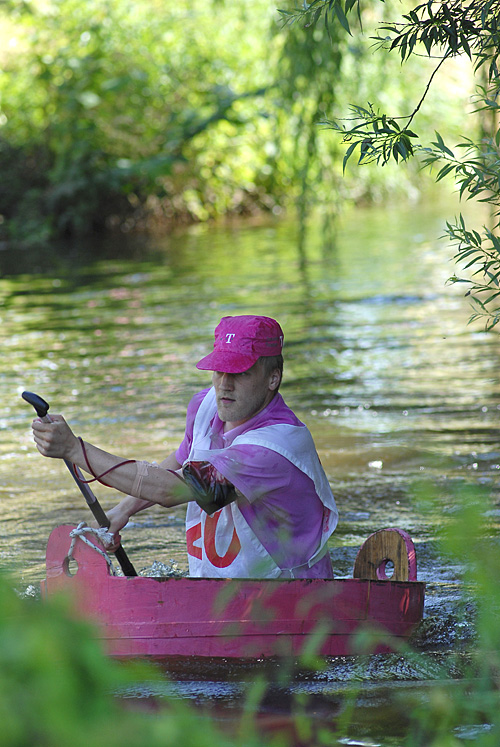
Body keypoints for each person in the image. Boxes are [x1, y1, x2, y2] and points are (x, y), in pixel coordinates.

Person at [31, 315, 338, 578]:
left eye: (240, 373)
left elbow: (171, 489)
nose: (224, 385)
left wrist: (75, 450)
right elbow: (181, 462)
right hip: (228, 595)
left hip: (293, 599)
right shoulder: (207, 406)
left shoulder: (273, 450)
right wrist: (122, 511)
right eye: (219, 370)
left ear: (274, 378)